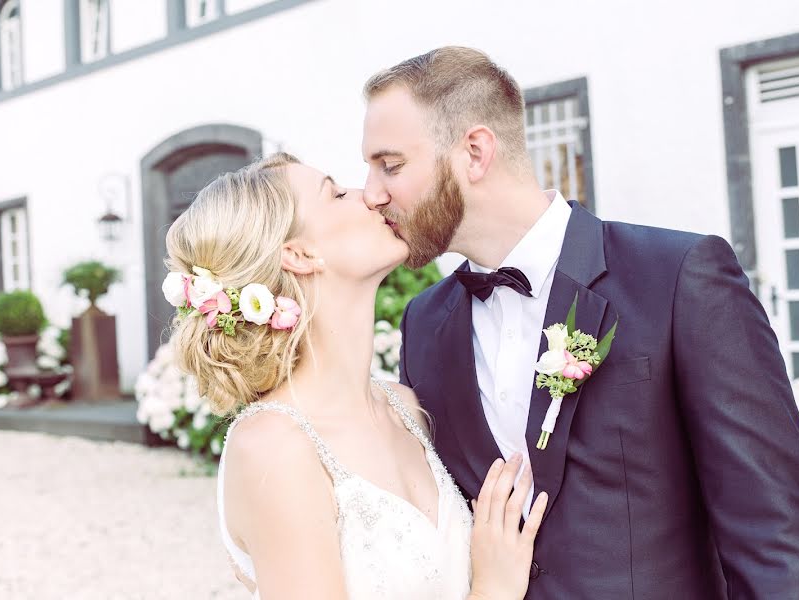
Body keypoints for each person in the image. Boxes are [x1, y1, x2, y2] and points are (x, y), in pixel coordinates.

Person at [361, 46, 799, 599]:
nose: (372, 193)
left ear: (474, 151)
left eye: (390, 165)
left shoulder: (679, 278)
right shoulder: (425, 322)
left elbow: (776, 535)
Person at [162, 152, 547, 599]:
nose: (370, 196)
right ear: (299, 254)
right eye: (337, 193)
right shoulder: (273, 447)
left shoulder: (406, 408)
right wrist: (495, 589)